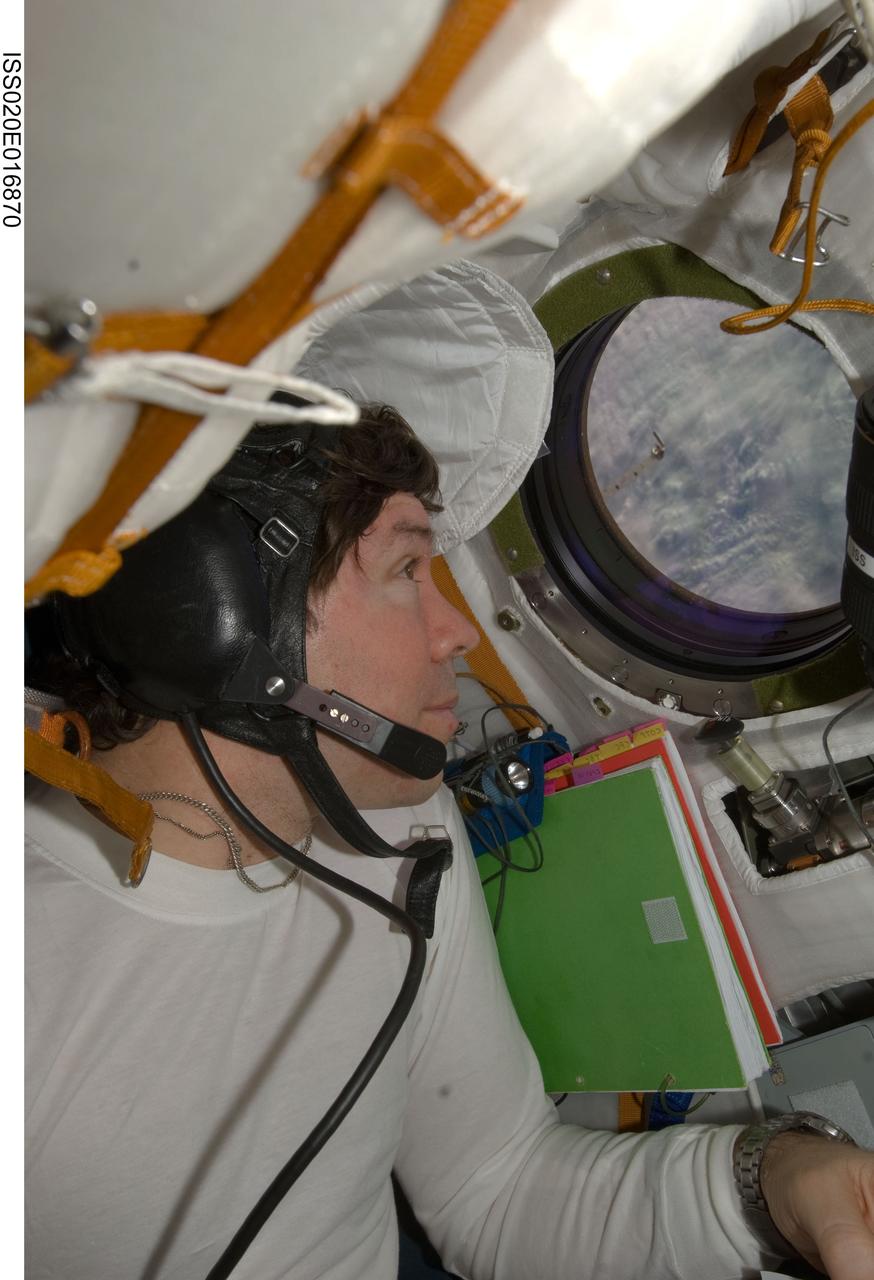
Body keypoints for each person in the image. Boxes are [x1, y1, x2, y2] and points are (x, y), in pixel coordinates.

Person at [25, 403, 874, 1280]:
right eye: (407, 569)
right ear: (208, 619)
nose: (458, 630)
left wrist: (776, 1178)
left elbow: (495, 1187)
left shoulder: (402, 836)